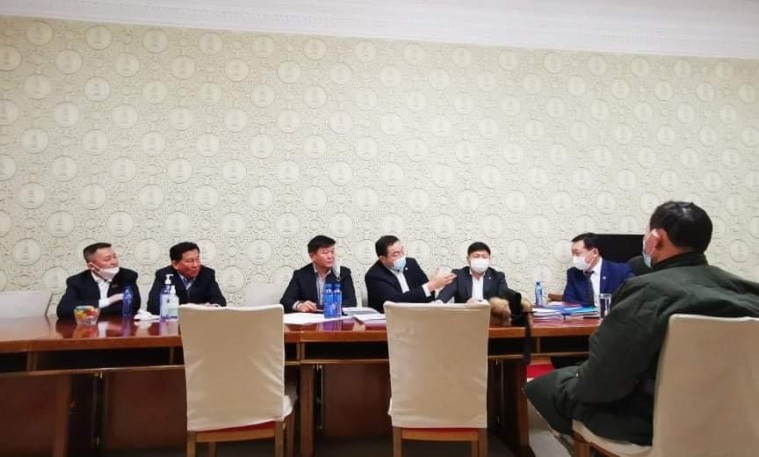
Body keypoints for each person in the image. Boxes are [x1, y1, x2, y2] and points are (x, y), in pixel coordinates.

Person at [525, 201, 759, 449]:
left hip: (651, 423)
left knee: (544, 386)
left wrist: (577, 380)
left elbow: (604, 382)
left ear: (656, 239)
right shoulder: (749, 291)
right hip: (740, 417)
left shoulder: (646, 291)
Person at [365, 235, 455, 312]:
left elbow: (428, 295)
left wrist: (432, 285)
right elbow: (395, 303)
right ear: (383, 259)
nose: (402, 257)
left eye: (402, 251)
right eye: (396, 254)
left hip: (418, 315)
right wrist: (431, 285)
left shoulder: (411, 264)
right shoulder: (374, 276)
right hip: (390, 320)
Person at [57, 242, 141, 318]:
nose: (114, 262)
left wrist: (86, 310)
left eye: (114, 257)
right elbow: (63, 310)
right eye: (107, 259)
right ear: (91, 266)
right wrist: (108, 301)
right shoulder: (77, 281)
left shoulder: (127, 276)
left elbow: (132, 306)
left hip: (117, 328)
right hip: (88, 328)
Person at [280, 235, 357, 313]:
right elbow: (286, 300)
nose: (330, 256)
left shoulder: (343, 273)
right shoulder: (300, 275)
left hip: (334, 317)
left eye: (332, 252)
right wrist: (299, 306)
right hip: (309, 319)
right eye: (325, 253)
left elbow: (351, 302)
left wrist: (326, 307)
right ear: (312, 256)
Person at [146, 242, 226, 314]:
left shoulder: (207, 274)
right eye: (189, 261)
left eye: (197, 259)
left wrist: (212, 307)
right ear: (175, 264)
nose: (195, 265)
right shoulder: (164, 275)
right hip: (172, 322)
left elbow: (219, 302)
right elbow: (153, 306)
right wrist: (187, 310)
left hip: (200, 322)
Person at [562, 232, 633, 306]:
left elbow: (632, 299)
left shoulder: (620, 271)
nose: (574, 258)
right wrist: (592, 310)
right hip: (584, 313)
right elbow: (568, 301)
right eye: (573, 254)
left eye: (578, 253)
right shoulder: (573, 273)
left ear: (595, 253)